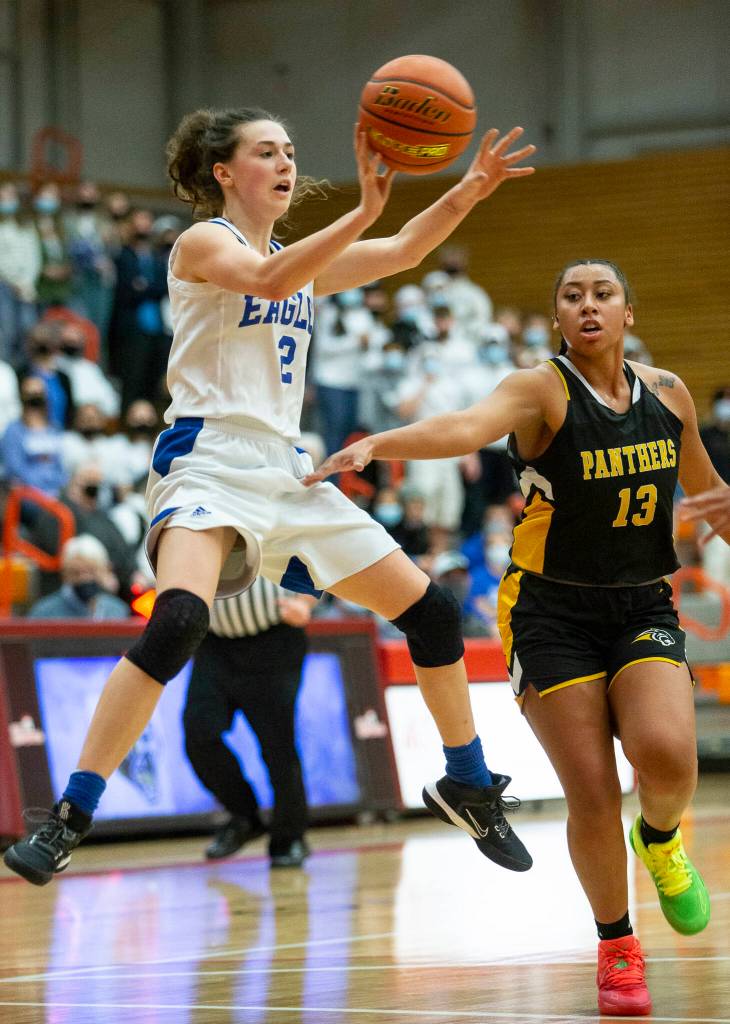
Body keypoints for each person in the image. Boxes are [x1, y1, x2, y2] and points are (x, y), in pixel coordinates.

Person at [3, 107, 536, 890]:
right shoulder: (202, 242)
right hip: (209, 457)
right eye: (266, 152)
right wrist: (359, 209)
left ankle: (466, 779)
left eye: (291, 149)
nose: (286, 162)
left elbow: (402, 251)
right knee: (179, 619)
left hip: (288, 469)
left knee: (430, 612)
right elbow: (266, 279)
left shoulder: (300, 256)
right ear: (224, 172)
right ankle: (71, 815)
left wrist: (470, 190)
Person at [305, 259, 722, 1017]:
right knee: (591, 787)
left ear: (629, 311)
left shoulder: (669, 394)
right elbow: (464, 427)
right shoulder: (540, 390)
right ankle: (618, 948)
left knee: (667, 755)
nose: (588, 305)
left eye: (603, 294)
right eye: (572, 295)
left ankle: (659, 839)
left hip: (640, 604)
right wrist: (378, 445)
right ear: (557, 317)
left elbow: (705, 491)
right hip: (548, 612)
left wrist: (717, 510)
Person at [183, 576, 316, 868]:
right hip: (214, 645)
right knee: (199, 733)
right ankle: (244, 816)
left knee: (277, 745)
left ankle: (289, 837)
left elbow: (315, 549)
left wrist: (305, 601)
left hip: (275, 640)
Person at [27, 534, 130, 620]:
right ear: (65, 574)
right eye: (76, 573)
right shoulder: (44, 614)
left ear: (104, 570)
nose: (84, 578)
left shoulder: (117, 610)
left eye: (91, 571)